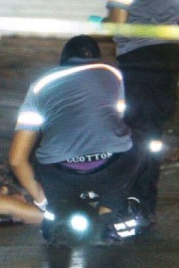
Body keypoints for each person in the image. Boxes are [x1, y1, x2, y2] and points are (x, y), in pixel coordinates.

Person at [99, 0, 179, 226]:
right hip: (169, 55)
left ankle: (130, 206)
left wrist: (102, 23)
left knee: (134, 133)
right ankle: (146, 205)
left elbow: (118, 23)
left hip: (138, 56)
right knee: (153, 135)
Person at [9, 35, 141, 244]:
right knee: (137, 143)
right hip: (110, 166)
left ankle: (60, 209)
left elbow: (16, 160)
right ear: (96, 58)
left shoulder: (39, 85)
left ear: (63, 60)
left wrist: (44, 201)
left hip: (61, 172)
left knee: (41, 161)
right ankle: (108, 215)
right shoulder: (112, 73)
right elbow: (117, 121)